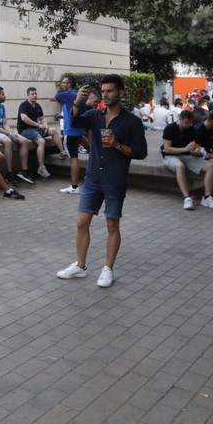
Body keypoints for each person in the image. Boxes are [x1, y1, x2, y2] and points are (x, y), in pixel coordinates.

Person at [56, 75, 147, 288]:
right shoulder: (95, 115)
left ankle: (108, 269)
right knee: (81, 222)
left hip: (115, 178)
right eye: (103, 91)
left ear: (121, 93)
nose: (105, 94)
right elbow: (76, 121)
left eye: (110, 91)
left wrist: (117, 145)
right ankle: (80, 266)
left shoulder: (132, 121)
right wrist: (78, 102)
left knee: (112, 224)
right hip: (93, 178)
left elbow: (141, 152)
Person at [161, 109, 213, 210]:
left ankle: (207, 197)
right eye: (186, 123)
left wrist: (196, 151)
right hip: (170, 156)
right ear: (180, 119)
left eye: (190, 123)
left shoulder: (192, 129)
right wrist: (185, 149)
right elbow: (167, 149)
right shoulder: (170, 128)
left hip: (188, 156)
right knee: (180, 166)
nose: (188, 125)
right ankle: (187, 198)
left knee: (211, 166)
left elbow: (196, 147)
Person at [0, 86, 35, 185]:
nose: (5, 96)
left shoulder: (2, 107)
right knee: (7, 141)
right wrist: (9, 134)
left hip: (1, 130)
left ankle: (24, 171)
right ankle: (9, 173)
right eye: (3, 94)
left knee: (24, 141)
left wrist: (13, 132)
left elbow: (5, 124)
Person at [55, 75, 86, 195]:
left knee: (73, 159)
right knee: (92, 150)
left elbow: (57, 96)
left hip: (70, 132)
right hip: (79, 130)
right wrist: (63, 116)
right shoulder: (80, 95)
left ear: (69, 84)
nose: (61, 84)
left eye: (63, 82)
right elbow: (73, 111)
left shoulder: (65, 95)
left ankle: (74, 187)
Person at [17, 87, 54, 179]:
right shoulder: (24, 105)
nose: (34, 96)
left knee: (53, 131)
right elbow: (24, 119)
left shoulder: (37, 106)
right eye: (32, 94)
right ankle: (41, 167)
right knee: (41, 141)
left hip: (35, 129)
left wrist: (45, 125)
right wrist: (38, 125)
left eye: (35, 94)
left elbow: (42, 118)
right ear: (28, 95)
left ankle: (62, 152)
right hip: (25, 130)